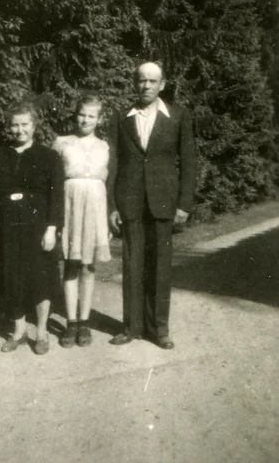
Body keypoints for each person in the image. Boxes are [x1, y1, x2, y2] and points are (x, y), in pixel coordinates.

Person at [107, 61, 196, 349]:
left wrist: (184, 203)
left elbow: (189, 162)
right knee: (132, 265)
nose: (145, 85)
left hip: (163, 203)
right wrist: (112, 205)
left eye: (152, 81)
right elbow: (113, 164)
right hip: (130, 202)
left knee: (160, 266)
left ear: (163, 85)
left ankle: (160, 329)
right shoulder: (122, 117)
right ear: (135, 83)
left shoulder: (178, 116)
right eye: (141, 80)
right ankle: (131, 327)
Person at [0, 101, 64, 355]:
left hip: (38, 225)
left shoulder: (49, 156)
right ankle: (18, 331)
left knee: (40, 277)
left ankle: (41, 332)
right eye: (14, 125)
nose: (19, 130)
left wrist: (52, 228)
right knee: (11, 277)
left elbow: (57, 197)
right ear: (8, 127)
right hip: (8, 225)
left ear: (34, 126)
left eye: (24, 124)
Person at [53, 93, 111, 348]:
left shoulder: (105, 146)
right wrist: (54, 220)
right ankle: (70, 323)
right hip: (69, 207)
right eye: (81, 114)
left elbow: (108, 182)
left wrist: (107, 220)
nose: (85, 120)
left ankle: (84, 321)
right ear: (75, 115)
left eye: (91, 116)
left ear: (99, 119)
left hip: (95, 209)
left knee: (88, 266)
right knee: (71, 265)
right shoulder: (62, 143)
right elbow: (53, 184)